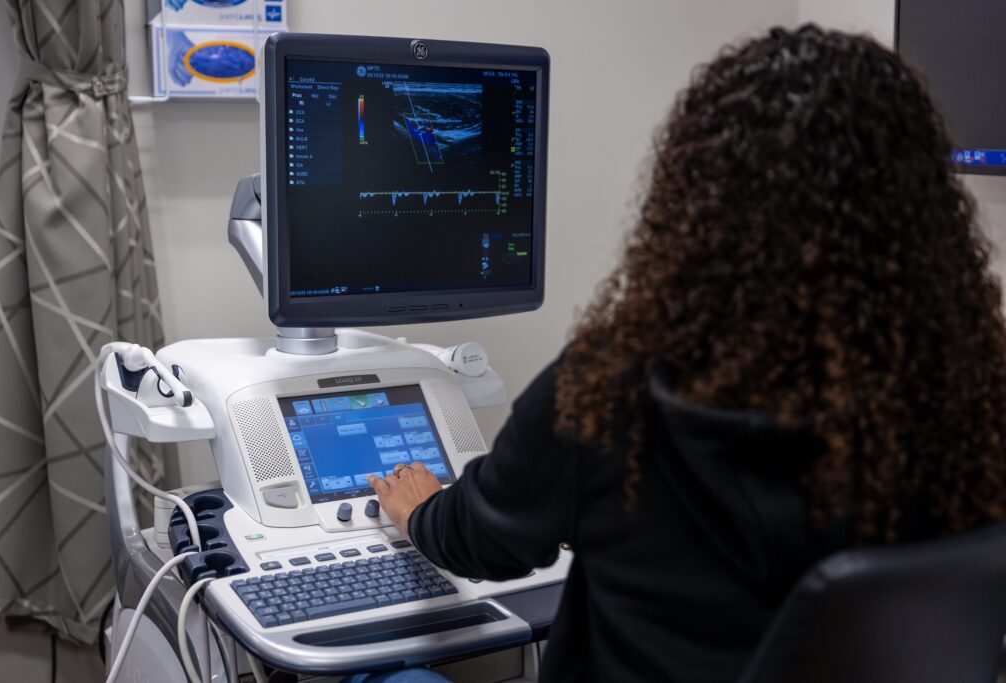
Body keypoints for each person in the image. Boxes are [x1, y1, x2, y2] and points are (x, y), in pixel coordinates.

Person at [368, 24, 1006, 681]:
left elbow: (480, 541)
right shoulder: (965, 406)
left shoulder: (613, 395)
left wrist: (419, 510)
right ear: (923, 213)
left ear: (698, 208)